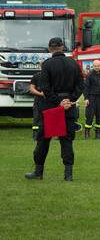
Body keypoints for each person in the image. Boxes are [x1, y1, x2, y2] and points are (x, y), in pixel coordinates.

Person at [25, 37, 84, 181]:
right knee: (67, 141)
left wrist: (58, 102)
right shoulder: (74, 64)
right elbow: (81, 85)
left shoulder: (47, 65)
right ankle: (68, 175)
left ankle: (38, 172)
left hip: (51, 108)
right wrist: (69, 101)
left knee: (43, 141)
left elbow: (44, 87)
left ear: (50, 48)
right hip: (68, 107)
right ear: (62, 47)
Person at [83, 60, 100, 139]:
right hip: (92, 98)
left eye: (98, 65)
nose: (97, 67)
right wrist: (86, 98)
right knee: (90, 115)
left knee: (99, 115)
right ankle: (87, 132)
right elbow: (86, 88)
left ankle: (98, 133)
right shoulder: (89, 76)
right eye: (95, 66)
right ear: (93, 66)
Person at [29, 64, 44, 140]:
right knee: (37, 117)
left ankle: (53, 134)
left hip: (50, 99)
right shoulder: (36, 76)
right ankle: (35, 135)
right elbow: (31, 89)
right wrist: (40, 94)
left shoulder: (53, 76)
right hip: (38, 99)